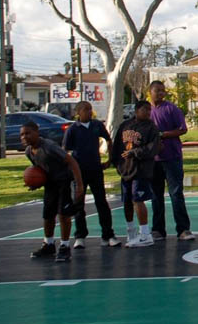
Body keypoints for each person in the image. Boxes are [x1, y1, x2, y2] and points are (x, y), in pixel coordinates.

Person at [21, 121, 85, 262]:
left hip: (63, 182)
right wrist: (35, 183)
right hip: (50, 185)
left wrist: (79, 185)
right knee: (48, 215)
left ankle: (65, 246)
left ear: (36, 132)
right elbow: (40, 172)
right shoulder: (29, 152)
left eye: (27, 133)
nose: (24, 137)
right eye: (22, 134)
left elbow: (71, 161)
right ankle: (49, 244)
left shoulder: (49, 146)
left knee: (63, 214)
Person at [63, 101, 120, 248]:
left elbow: (108, 139)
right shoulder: (72, 129)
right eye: (86, 109)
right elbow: (65, 151)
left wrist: (109, 159)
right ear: (78, 112)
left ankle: (108, 235)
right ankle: (80, 236)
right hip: (79, 172)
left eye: (90, 109)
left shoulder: (96, 125)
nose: (89, 112)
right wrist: (70, 169)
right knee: (79, 204)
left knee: (101, 202)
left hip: (95, 169)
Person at [149, 80, 194, 241]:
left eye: (163, 91)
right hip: (153, 160)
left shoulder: (171, 109)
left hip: (172, 158)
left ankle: (183, 229)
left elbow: (182, 129)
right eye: (157, 91)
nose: (161, 93)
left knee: (176, 193)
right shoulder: (146, 111)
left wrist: (163, 135)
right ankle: (158, 230)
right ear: (150, 92)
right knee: (156, 195)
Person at [112, 100, 161, 248]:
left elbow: (153, 148)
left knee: (138, 200)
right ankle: (131, 231)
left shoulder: (151, 128)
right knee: (127, 201)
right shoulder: (124, 126)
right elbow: (117, 147)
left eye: (149, 110)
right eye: (145, 109)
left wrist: (135, 152)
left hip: (141, 170)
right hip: (126, 169)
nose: (148, 112)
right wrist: (117, 164)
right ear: (136, 110)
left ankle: (145, 234)